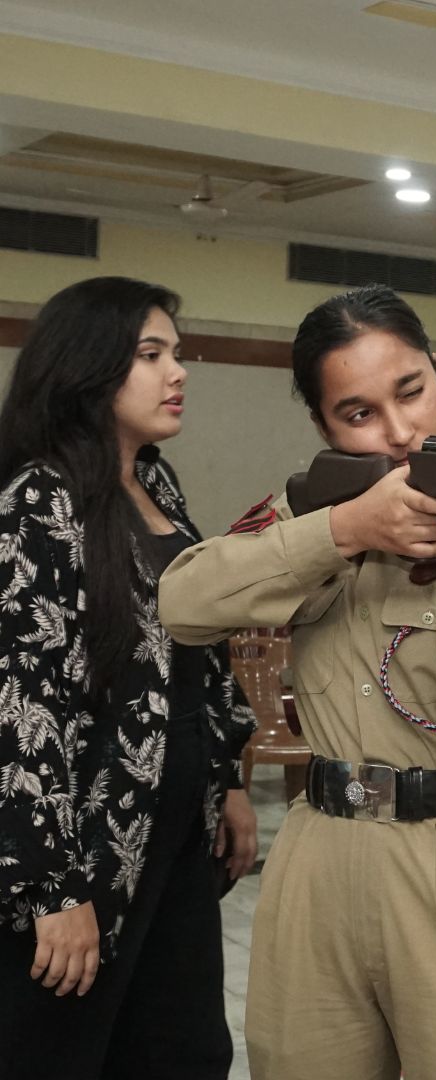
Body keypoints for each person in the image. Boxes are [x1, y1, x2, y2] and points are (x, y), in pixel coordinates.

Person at [157, 283, 436, 1080]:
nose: (398, 431)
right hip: (319, 849)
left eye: (411, 391)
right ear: (323, 426)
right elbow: (182, 604)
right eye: (358, 414)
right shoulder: (310, 510)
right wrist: (341, 530)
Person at [0, 276, 258, 1080]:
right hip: (86, 840)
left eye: (178, 354)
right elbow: (19, 707)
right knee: (66, 1050)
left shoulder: (158, 484)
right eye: (151, 355)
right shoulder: (38, 501)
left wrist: (231, 779)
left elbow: (201, 652)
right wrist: (50, 889)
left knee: (183, 1050)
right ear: (88, 366)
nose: (177, 372)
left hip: (174, 830)